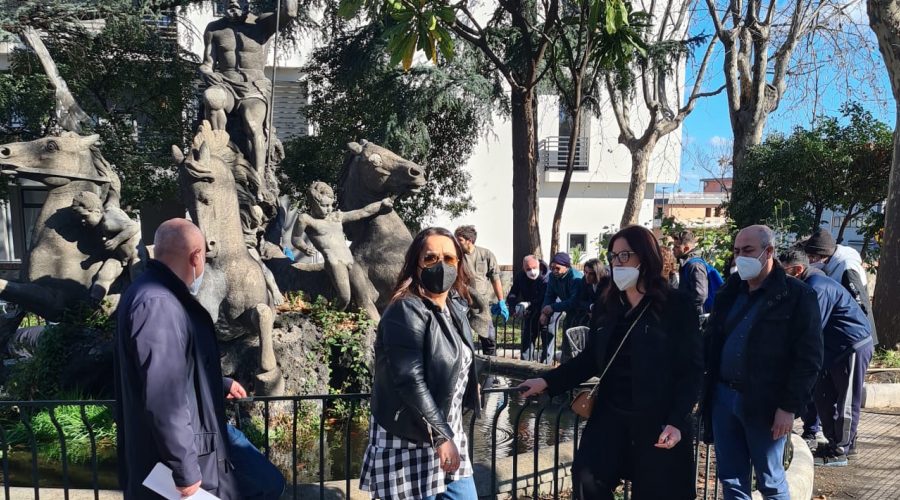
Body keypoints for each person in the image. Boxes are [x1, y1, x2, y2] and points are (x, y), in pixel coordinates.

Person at [519, 225, 703, 499]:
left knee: (656, 489)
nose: (617, 263)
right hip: (611, 414)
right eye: (613, 256)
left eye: (624, 256)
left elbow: (691, 369)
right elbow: (592, 358)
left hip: (657, 417)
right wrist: (547, 381)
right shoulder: (608, 304)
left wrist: (677, 421)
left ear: (645, 257)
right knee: (586, 477)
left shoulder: (677, 306)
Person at [114, 219, 285, 499]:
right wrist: (186, 472)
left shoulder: (156, 295)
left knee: (267, 483)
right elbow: (162, 396)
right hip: (181, 462)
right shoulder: (159, 303)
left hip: (193, 449)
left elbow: (171, 370)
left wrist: (216, 383)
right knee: (266, 485)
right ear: (196, 256)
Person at [702, 225, 823, 500]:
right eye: (736, 251)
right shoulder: (729, 293)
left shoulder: (797, 296)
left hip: (765, 402)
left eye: (747, 250)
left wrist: (788, 407)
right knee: (731, 479)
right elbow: (711, 341)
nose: (739, 257)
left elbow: (808, 358)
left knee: (770, 480)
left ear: (769, 251)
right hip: (723, 397)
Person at [360, 227, 480, 500]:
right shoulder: (405, 309)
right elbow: (408, 377)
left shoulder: (454, 308)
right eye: (431, 258)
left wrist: (471, 384)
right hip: (410, 437)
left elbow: (456, 356)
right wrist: (440, 435)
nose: (442, 265)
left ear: (459, 264)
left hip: (447, 431)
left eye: (449, 259)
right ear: (417, 262)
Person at [780, 249, 874, 465]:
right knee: (823, 397)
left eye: (782, 272)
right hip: (831, 349)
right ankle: (836, 442)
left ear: (797, 270)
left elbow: (810, 329)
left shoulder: (816, 288)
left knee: (847, 401)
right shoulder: (806, 285)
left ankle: (841, 450)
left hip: (851, 347)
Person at [199, 0, 298, 176]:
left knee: (252, 124)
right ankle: (218, 158)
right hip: (226, 84)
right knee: (212, 97)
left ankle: (258, 178)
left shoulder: (261, 24)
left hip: (254, 87)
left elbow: (289, 12)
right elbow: (207, 64)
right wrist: (206, 72)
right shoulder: (214, 29)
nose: (233, 3)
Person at [291, 181, 392, 320]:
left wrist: (381, 204)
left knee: (365, 298)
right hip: (334, 262)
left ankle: (379, 331)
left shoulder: (336, 217)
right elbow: (296, 239)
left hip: (350, 260)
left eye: (331, 205)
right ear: (313, 203)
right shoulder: (306, 219)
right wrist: (303, 247)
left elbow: (363, 212)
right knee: (344, 298)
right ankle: (324, 319)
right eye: (325, 206)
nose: (329, 209)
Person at [799, 228, 878, 346]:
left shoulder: (847, 268)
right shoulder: (829, 266)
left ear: (824, 255)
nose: (810, 261)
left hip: (856, 336)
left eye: (812, 256)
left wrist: (862, 336)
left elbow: (861, 305)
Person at [455, 225, 505, 355]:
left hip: (481, 303)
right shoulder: (455, 256)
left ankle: (490, 368)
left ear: (469, 240)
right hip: (461, 301)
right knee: (460, 335)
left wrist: (501, 301)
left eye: (459, 240)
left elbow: (495, 279)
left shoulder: (486, 254)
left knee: (488, 338)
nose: (456, 243)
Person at [505, 255, 550, 362]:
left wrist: (528, 303)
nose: (532, 272)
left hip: (547, 311)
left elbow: (543, 298)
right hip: (530, 312)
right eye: (528, 269)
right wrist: (512, 307)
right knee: (527, 341)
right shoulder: (520, 276)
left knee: (547, 343)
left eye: (534, 268)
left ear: (539, 265)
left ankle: (546, 369)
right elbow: (513, 293)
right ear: (523, 268)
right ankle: (525, 367)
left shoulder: (547, 277)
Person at [673, 230, 708, 314]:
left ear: (686, 248)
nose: (673, 249)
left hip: (695, 316)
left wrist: (685, 309)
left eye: (677, 247)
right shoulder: (686, 264)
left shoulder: (695, 265)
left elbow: (700, 296)